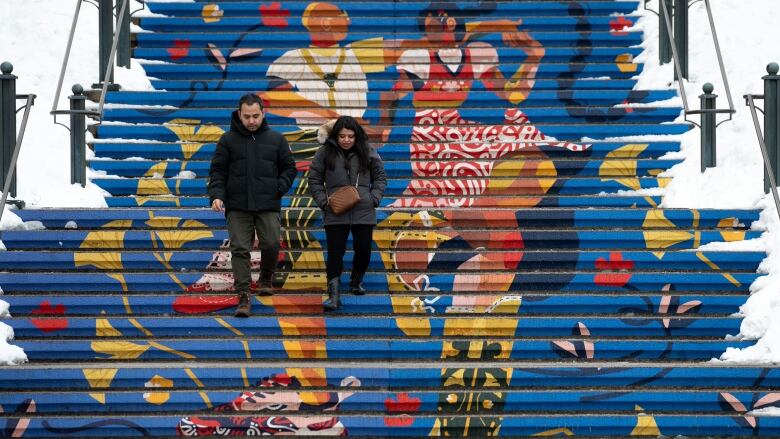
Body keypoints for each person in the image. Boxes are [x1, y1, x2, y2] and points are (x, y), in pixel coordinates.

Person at [208, 93, 297, 318]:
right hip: (237, 205)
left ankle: (266, 278)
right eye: (246, 116)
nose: (251, 121)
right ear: (239, 114)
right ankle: (244, 296)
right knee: (239, 249)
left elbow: (289, 168)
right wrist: (216, 196)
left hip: (268, 204)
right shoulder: (227, 140)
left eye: (255, 116)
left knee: (270, 243)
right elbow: (218, 171)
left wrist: (278, 188)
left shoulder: (276, 139)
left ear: (263, 113)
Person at [307, 116, 387, 311]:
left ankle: (356, 280)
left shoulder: (367, 150)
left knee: (364, 250)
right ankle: (334, 296)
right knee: (335, 253)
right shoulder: (325, 152)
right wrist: (324, 203)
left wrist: (374, 198)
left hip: (363, 210)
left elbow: (380, 177)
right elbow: (314, 178)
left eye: (350, 136)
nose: (346, 140)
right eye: (342, 136)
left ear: (356, 136)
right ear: (336, 136)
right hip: (336, 211)